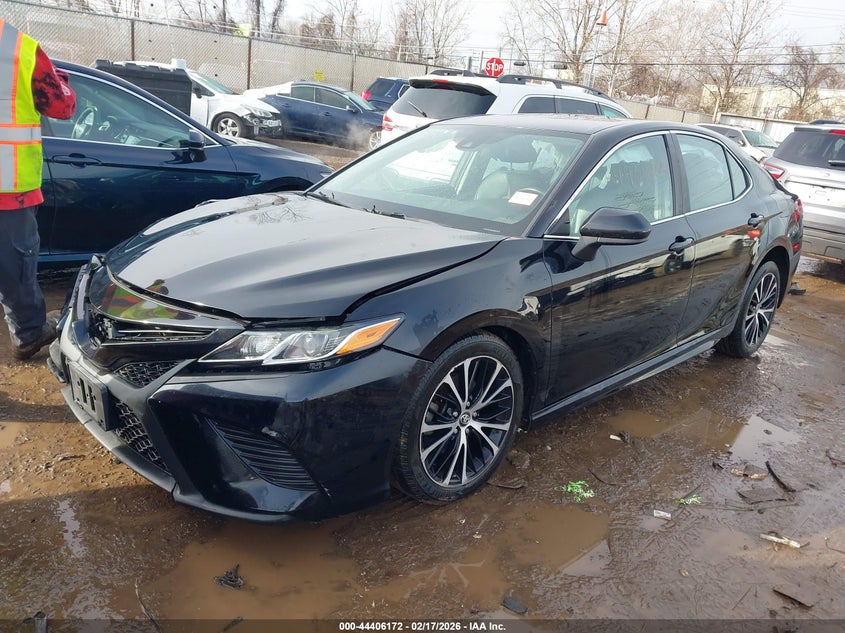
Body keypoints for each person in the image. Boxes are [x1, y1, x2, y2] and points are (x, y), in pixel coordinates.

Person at [0, 19, 76, 361]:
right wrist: (63, 82)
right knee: (15, 265)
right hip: (8, 187)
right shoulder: (17, 48)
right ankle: (29, 332)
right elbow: (61, 106)